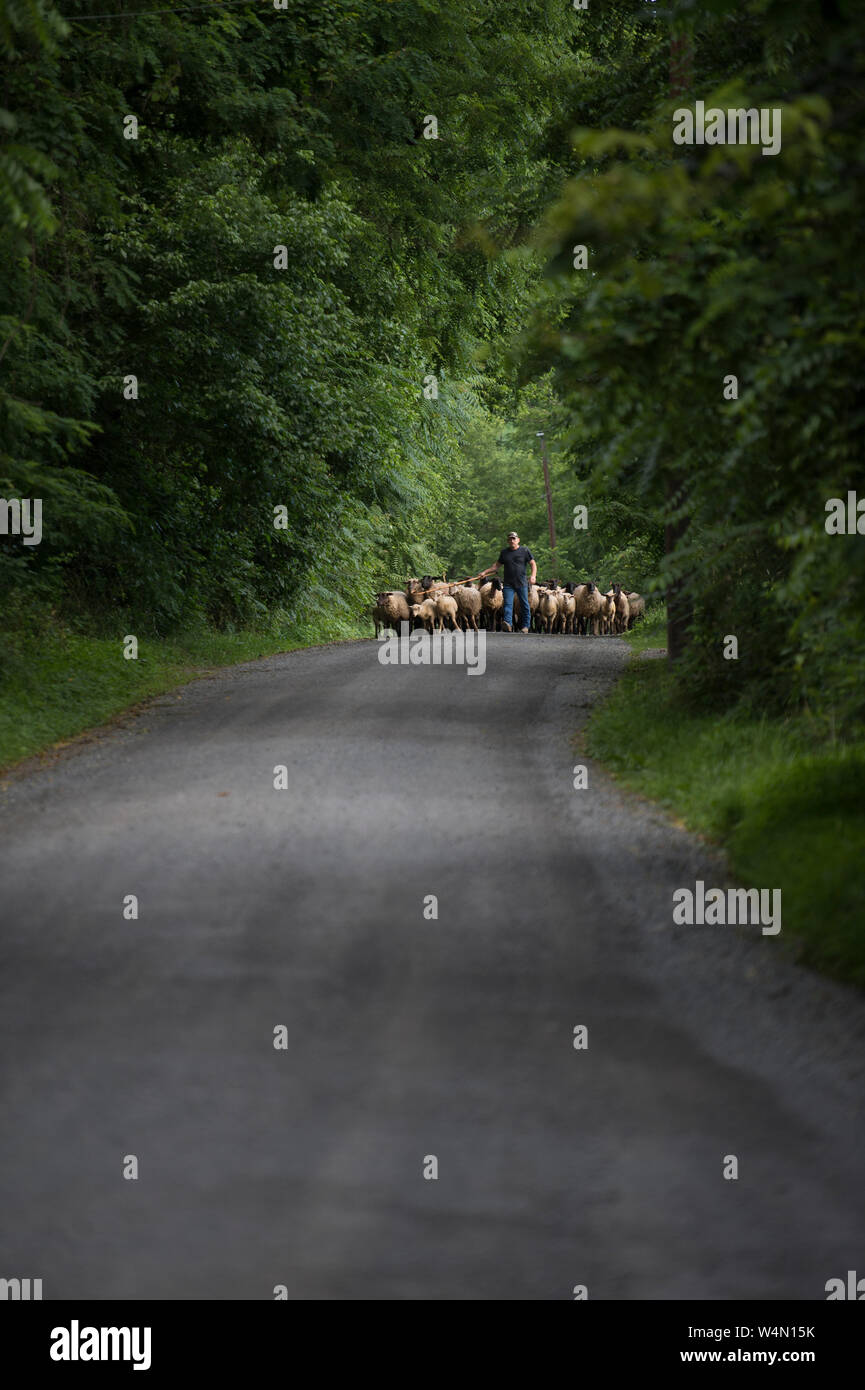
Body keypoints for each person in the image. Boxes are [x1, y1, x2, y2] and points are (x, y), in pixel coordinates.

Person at [480, 531, 537, 632]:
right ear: (508, 541)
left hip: (521, 583)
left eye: (513, 538)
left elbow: (532, 563)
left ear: (518, 540)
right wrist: (485, 572)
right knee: (507, 604)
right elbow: (496, 566)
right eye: (510, 539)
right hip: (508, 584)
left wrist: (533, 576)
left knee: (524, 604)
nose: (512, 540)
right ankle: (508, 624)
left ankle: (526, 626)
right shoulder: (504, 552)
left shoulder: (524, 550)